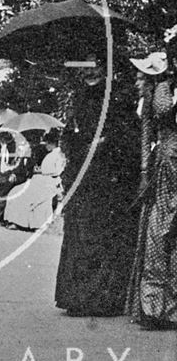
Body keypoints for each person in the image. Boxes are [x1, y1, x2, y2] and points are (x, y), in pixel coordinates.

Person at [54, 55, 140, 316]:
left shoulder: (117, 99)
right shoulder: (79, 98)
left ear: (106, 69)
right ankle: (76, 298)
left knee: (102, 235)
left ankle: (101, 300)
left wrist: (106, 142)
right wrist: (73, 143)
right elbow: (69, 134)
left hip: (108, 178)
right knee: (80, 234)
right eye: (86, 67)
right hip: (82, 175)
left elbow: (129, 136)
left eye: (96, 67)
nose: (91, 72)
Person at [126, 51, 177, 329]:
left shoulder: (164, 90)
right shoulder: (157, 95)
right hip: (166, 167)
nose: (137, 83)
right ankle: (153, 306)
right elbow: (149, 130)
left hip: (171, 164)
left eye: (141, 77)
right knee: (158, 232)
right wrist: (145, 171)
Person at [4, 130, 66, 230]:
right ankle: (15, 220)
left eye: (47, 143)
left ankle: (21, 223)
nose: (46, 146)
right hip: (38, 180)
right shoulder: (50, 154)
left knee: (25, 196)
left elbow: (58, 171)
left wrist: (42, 171)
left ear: (51, 143)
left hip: (47, 182)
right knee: (15, 191)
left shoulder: (59, 155)